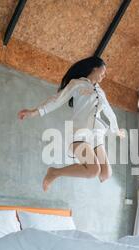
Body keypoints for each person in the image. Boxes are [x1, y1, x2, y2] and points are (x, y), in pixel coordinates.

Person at [18, 56, 125, 191]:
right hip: (81, 132)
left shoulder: (100, 91)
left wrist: (116, 131)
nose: (104, 75)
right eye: (103, 71)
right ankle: (54, 172)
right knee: (93, 170)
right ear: (94, 68)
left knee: (106, 173)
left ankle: (69, 169)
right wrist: (34, 112)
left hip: (97, 135)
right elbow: (56, 100)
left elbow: (109, 112)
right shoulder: (77, 84)